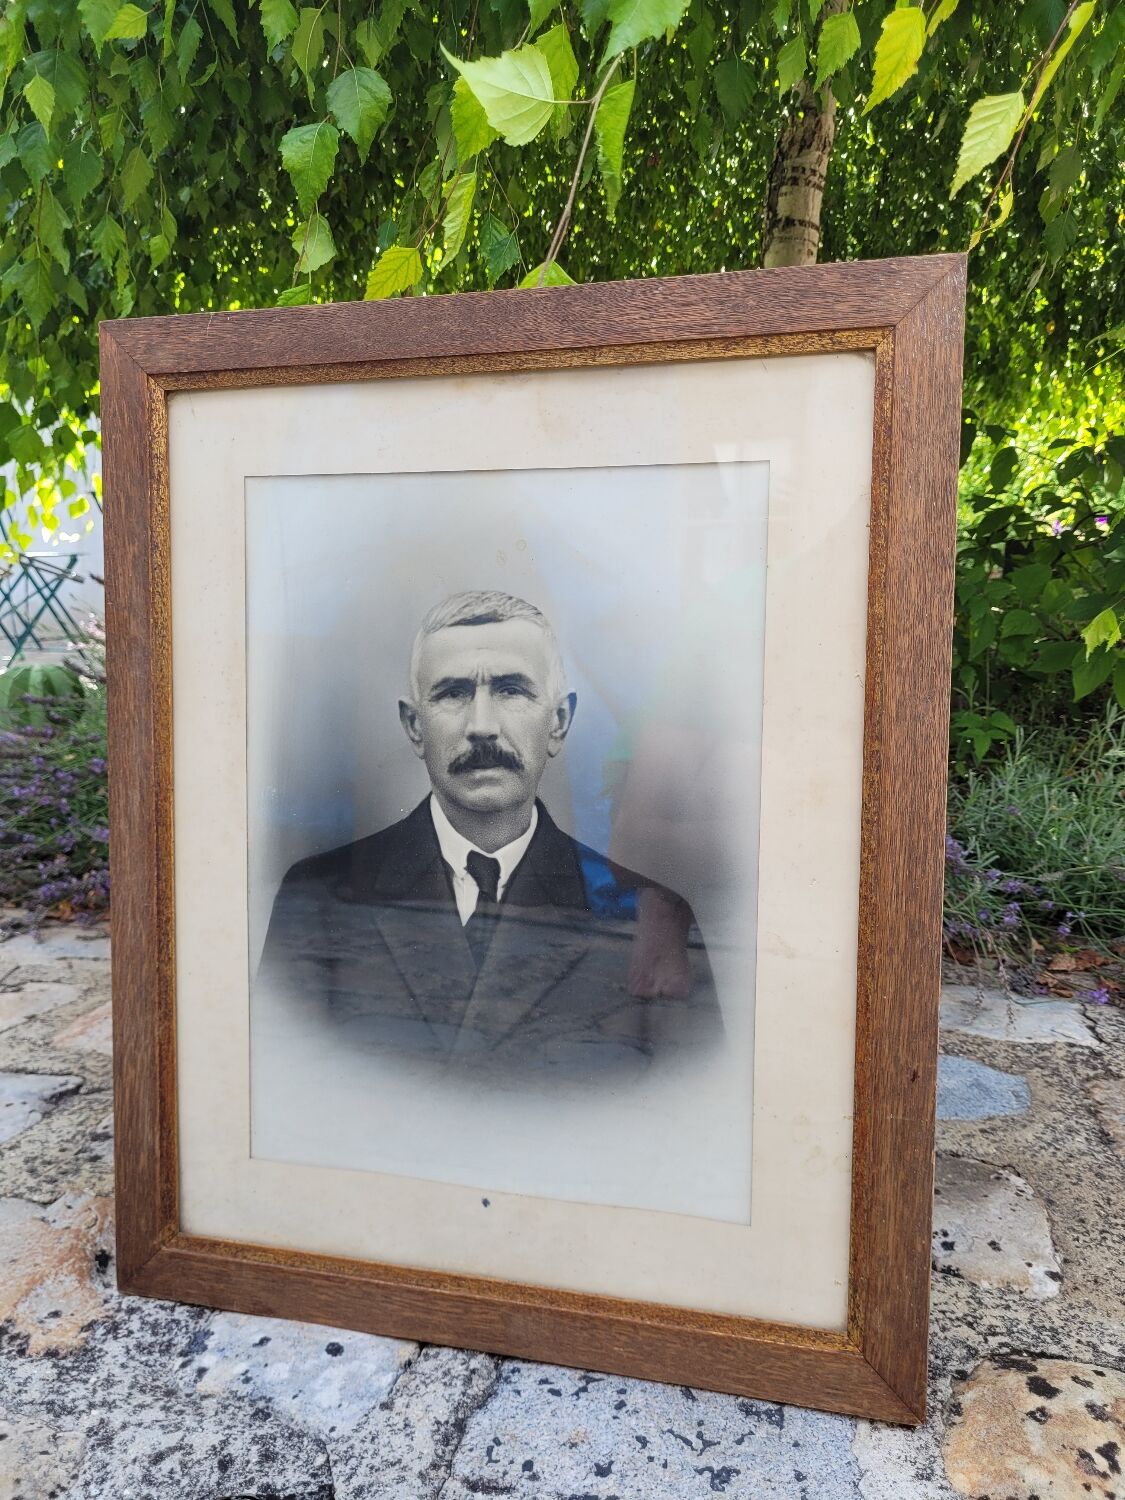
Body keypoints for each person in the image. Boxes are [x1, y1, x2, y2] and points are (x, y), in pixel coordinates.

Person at [256, 591, 722, 1077]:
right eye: (453, 693)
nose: (482, 727)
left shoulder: (639, 912)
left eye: (511, 690)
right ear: (415, 727)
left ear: (559, 723)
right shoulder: (315, 901)